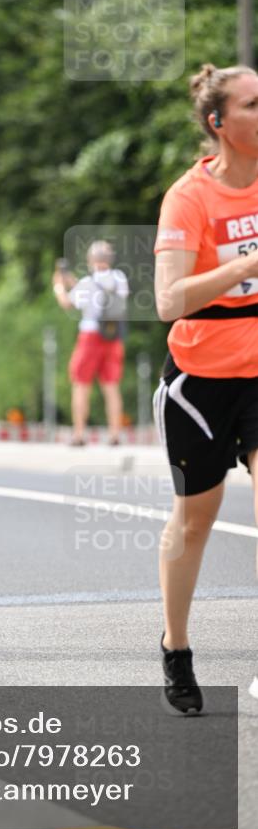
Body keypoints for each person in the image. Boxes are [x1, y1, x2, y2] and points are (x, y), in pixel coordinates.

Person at [153, 63, 258, 714]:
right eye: (252, 104)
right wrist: (244, 265)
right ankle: (176, 645)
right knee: (194, 523)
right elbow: (167, 299)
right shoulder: (189, 199)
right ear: (219, 122)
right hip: (199, 381)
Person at [52, 241, 128, 445]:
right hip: (113, 337)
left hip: (90, 337)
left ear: (91, 260)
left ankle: (79, 434)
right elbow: (99, 291)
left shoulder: (86, 283)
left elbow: (68, 303)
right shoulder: (120, 279)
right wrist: (73, 281)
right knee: (111, 386)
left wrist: (59, 286)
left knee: (81, 384)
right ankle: (114, 434)